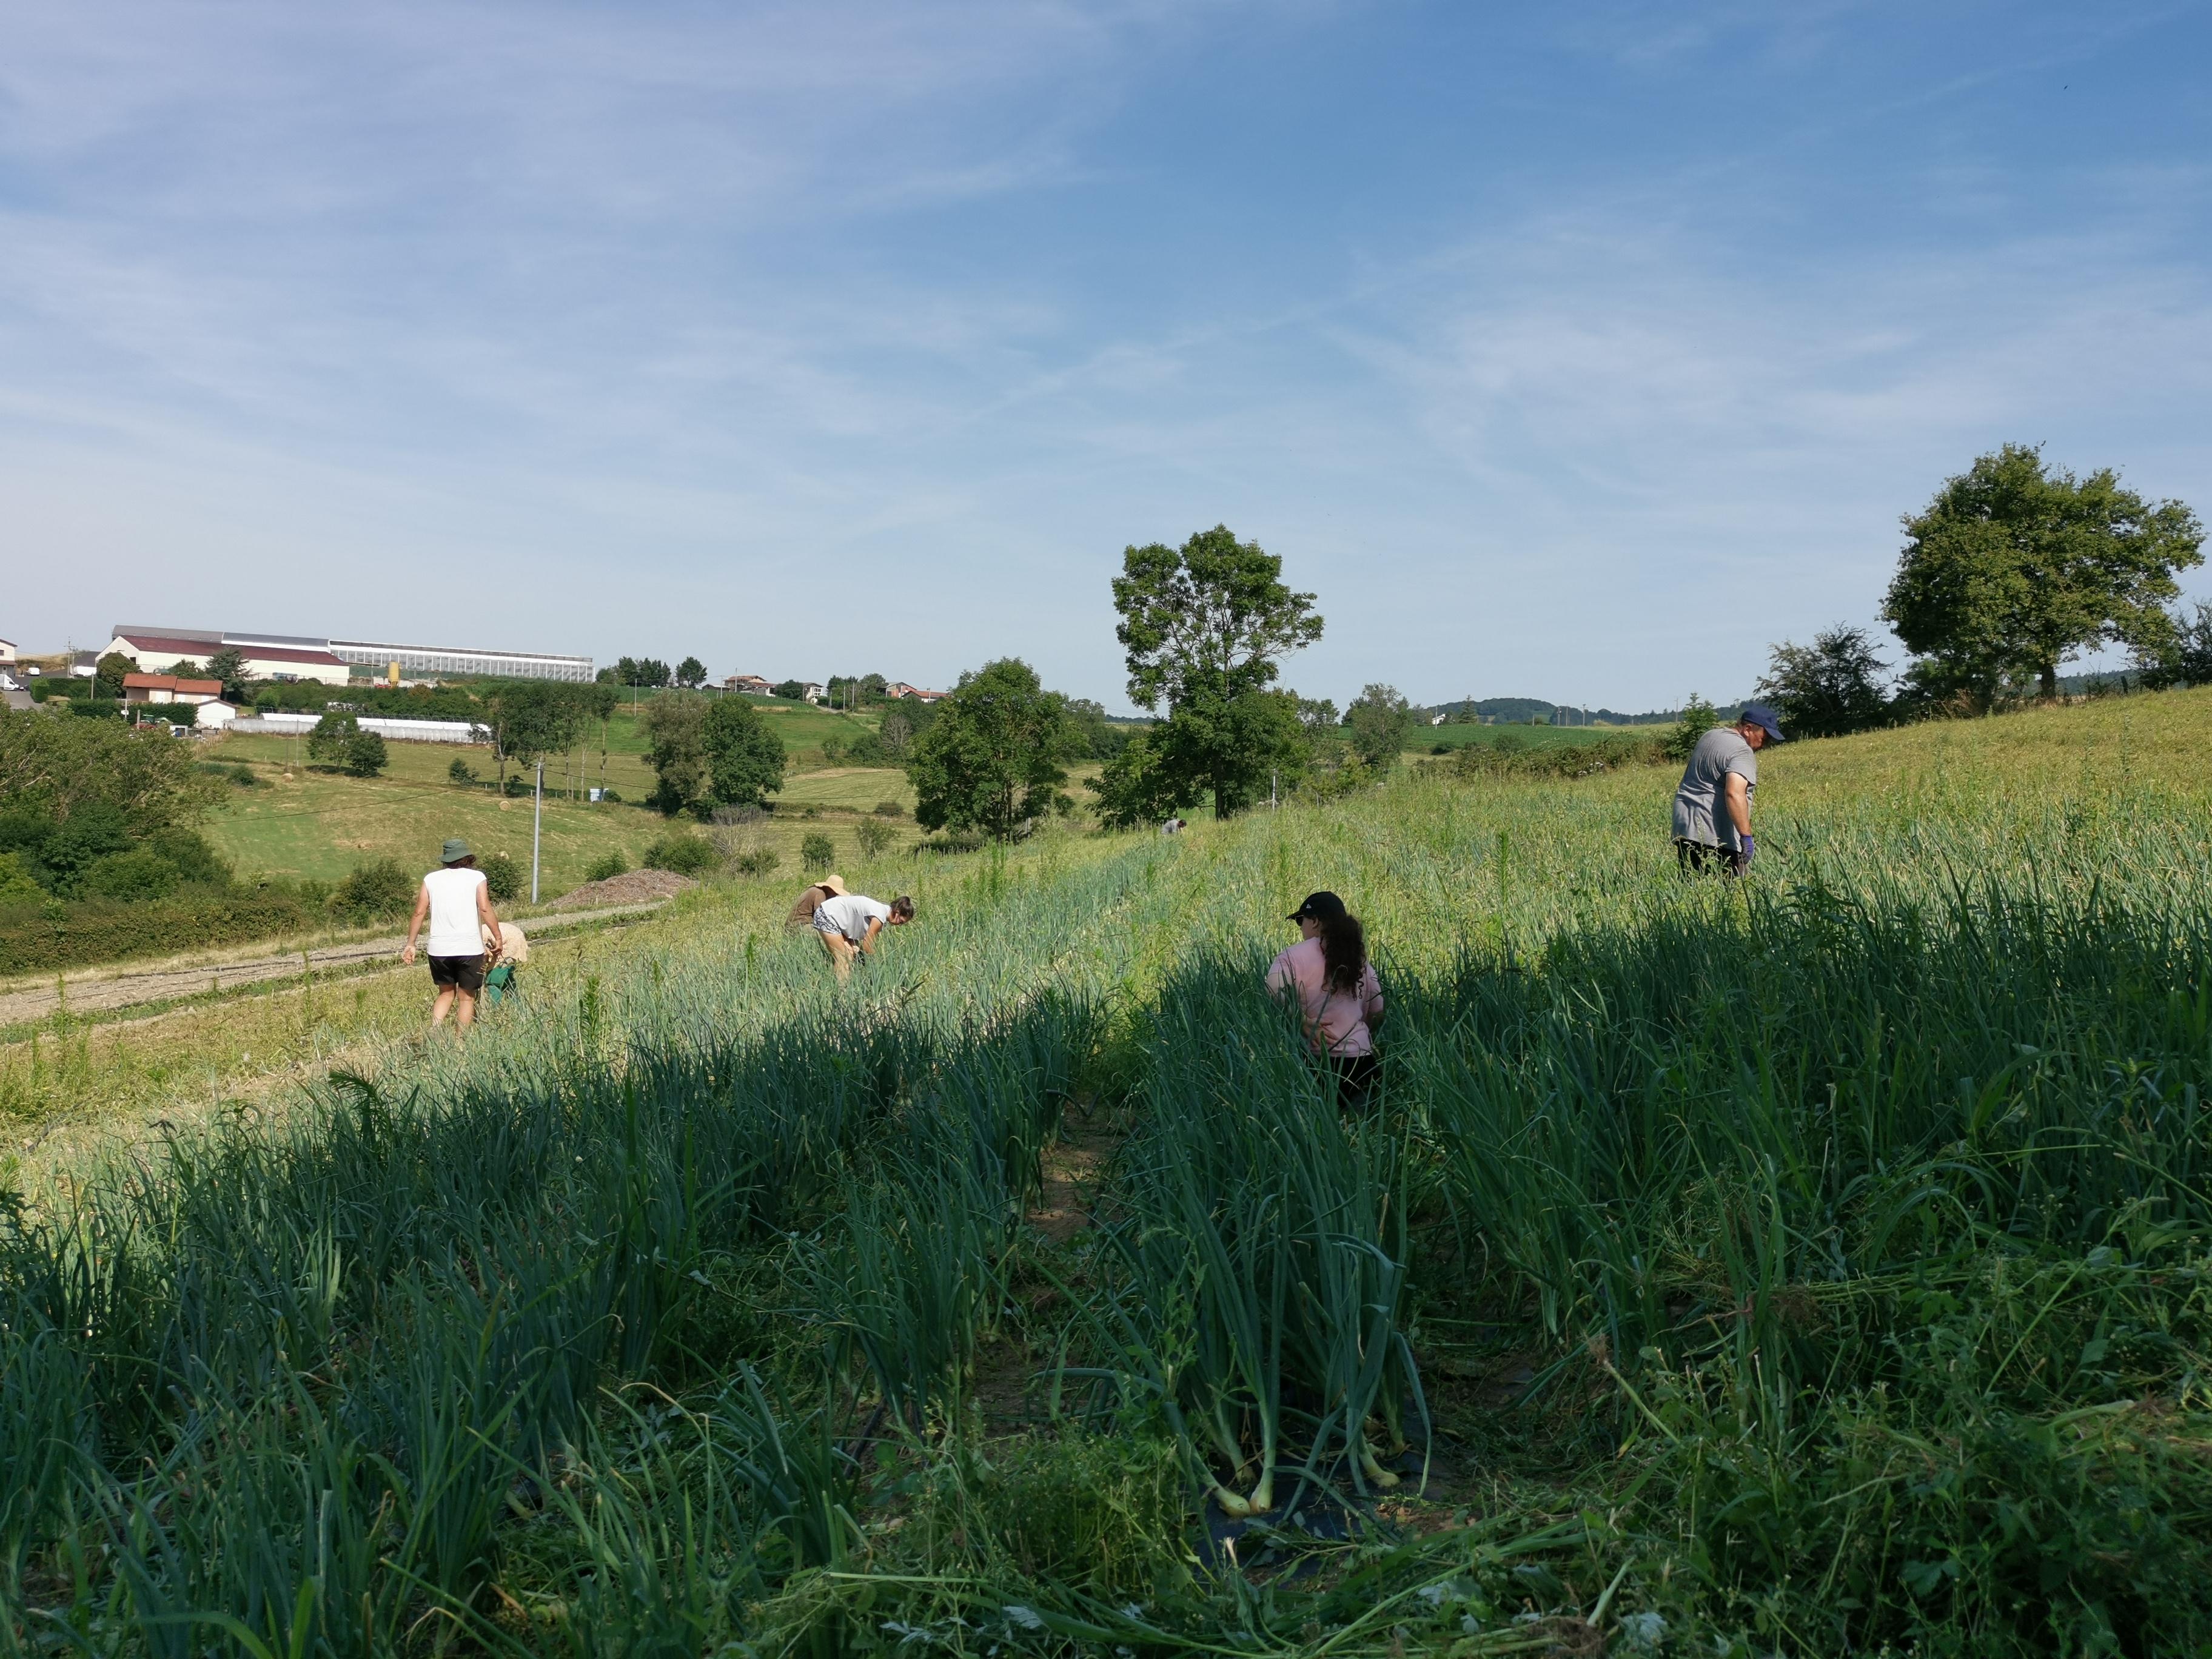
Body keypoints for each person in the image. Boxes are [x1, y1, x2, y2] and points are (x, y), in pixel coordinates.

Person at [1267, 890, 1386, 1103]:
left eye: (1300, 921)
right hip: (1364, 1065)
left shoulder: (1292, 957)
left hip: (1320, 1066)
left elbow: (1273, 990)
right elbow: (1377, 1010)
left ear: (1315, 921)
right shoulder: (1360, 960)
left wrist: (1299, 1019)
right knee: (1364, 1129)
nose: (1301, 928)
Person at [401, 838, 501, 1030]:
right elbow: (485, 909)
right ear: (467, 858)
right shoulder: (476, 877)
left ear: (445, 858)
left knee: (446, 994)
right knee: (466, 998)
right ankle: (459, 1043)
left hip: (439, 950)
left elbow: (419, 912)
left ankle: (434, 1032)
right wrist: (498, 936)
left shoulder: (430, 879)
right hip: (469, 949)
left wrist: (411, 943)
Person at [1671, 703, 1783, 875]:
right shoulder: (1742, 751)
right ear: (1748, 729)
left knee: (1694, 890)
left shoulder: (1710, 735)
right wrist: (1746, 837)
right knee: (1734, 894)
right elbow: (1734, 793)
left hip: (1685, 827)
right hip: (1715, 834)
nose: (1763, 745)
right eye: (1764, 738)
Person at [813, 888, 914, 980]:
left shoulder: (882, 913)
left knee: (850, 954)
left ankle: (844, 987)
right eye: (901, 922)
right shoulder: (879, 917)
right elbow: (867, 946)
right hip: (827, 915)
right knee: (843, 957)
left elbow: (868, 941)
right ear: (897, 913)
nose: (899, 925)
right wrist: (877, 962)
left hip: (835, 917)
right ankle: (840, 991)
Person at [480, 918, 529, 1007]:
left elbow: (485, 954)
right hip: (513, 938)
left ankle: (495, 1009)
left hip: (512, 943)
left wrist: (482, 970)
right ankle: (517, 1005)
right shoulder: (478, 932)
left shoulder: (477, 937)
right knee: (505, 975)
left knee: (494, 978)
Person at [785, 873, 849, 930]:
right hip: (798, 926)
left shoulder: (816, 891)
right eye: (835, 892)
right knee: (827, 934)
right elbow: (822, 917)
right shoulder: (820, 894)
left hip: (797, 925)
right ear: (829, 889)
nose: (835, 895)